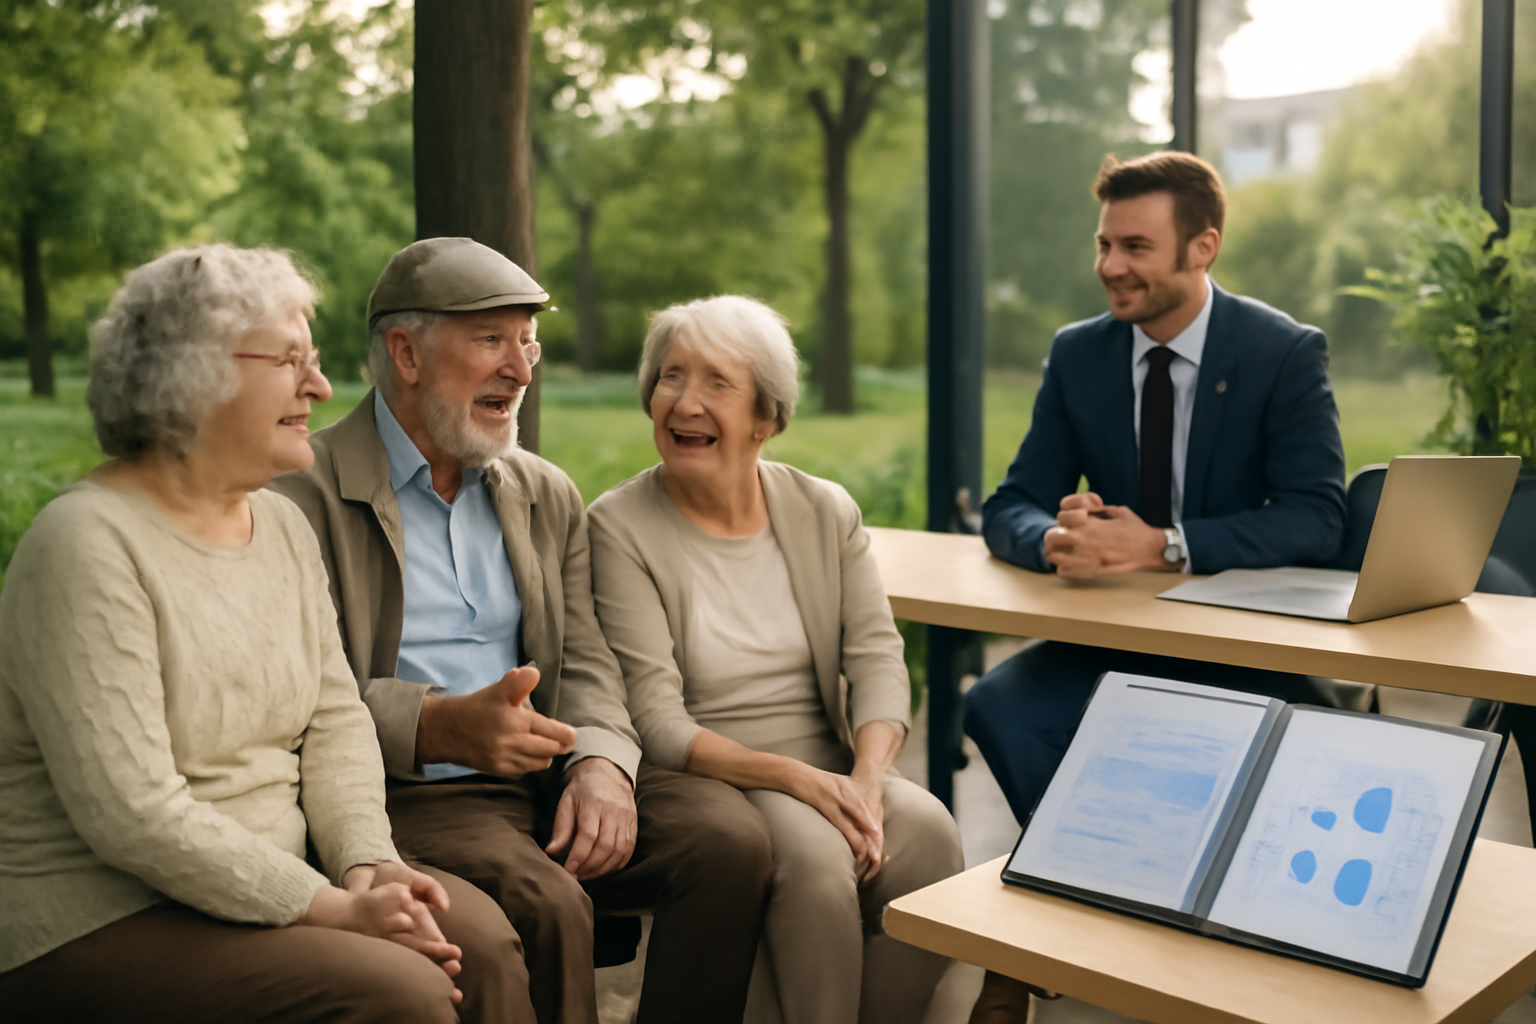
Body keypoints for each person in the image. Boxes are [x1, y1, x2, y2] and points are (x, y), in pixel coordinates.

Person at [271, 238, 774, 1024]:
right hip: (406, 793)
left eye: (527, 341)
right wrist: (437, 725)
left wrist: (600, 763)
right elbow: (294, 695)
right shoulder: (298, 495)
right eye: (491, 341)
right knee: (546, 903)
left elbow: (587, 661)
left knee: (728, 841)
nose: (522, 367)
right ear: (405, 353)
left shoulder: (542, 491)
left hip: (543, 775)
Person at [0, 245, 481, 1023]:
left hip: (279, 881)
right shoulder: (86, 545)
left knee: (478, 941)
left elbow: (333, 719)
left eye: (316, 361)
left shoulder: (283, 524)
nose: (321, 388)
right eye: (291, 360)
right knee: (404, 992)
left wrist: (369, 865)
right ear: (191, 373)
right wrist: (330, 908)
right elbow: (134, 814)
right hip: (101, 917)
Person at [963, 152, 1350, 1022]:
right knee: (999, 704)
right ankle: (1106, 909)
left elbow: (1317, 516)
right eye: (1103, 244)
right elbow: (1010, 504)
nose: (1109, 267)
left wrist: (1165, 546)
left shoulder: (1282, 352)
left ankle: (1069, 934)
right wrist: (1056, 539)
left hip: (1245, 642)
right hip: (1113, 637)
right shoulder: (1079, 353)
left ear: (1202, 247)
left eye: (1135, 246)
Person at [586, 295, 964, 1024]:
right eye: (670, 377)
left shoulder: (825, 510)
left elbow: (880, 658)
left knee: (931, 836)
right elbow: (658, 722)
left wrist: (866, 778)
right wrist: (804, 783)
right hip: (718, 774)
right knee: (819, 863)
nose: (684, 402)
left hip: (831, 764)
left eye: (716, 384)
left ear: (767, 418)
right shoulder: (619, 525)